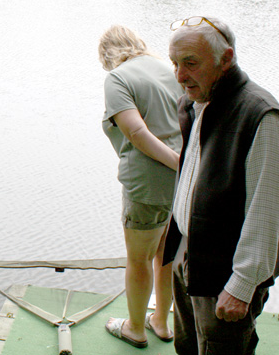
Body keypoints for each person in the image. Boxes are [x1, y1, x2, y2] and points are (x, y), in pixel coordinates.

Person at [163, 16, 279, 355]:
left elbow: (266, 211)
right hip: (188, 257)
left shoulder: (262, 116)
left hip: (225, 272)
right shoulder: (196, 103)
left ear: (226, 58)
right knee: (188, 347)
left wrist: (243, 283)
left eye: (190, 63)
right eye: (175, 63)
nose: (179, 76)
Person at [98, 25, 183, 349]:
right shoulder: (168, 69)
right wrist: (186, 164)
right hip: (181, 184)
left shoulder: (117, 79)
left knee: (139, 259)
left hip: (148, 184)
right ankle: (161, 321)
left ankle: (135, 327)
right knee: (167, 255)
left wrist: (175, 161)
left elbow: (136, 133)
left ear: (107, 54)